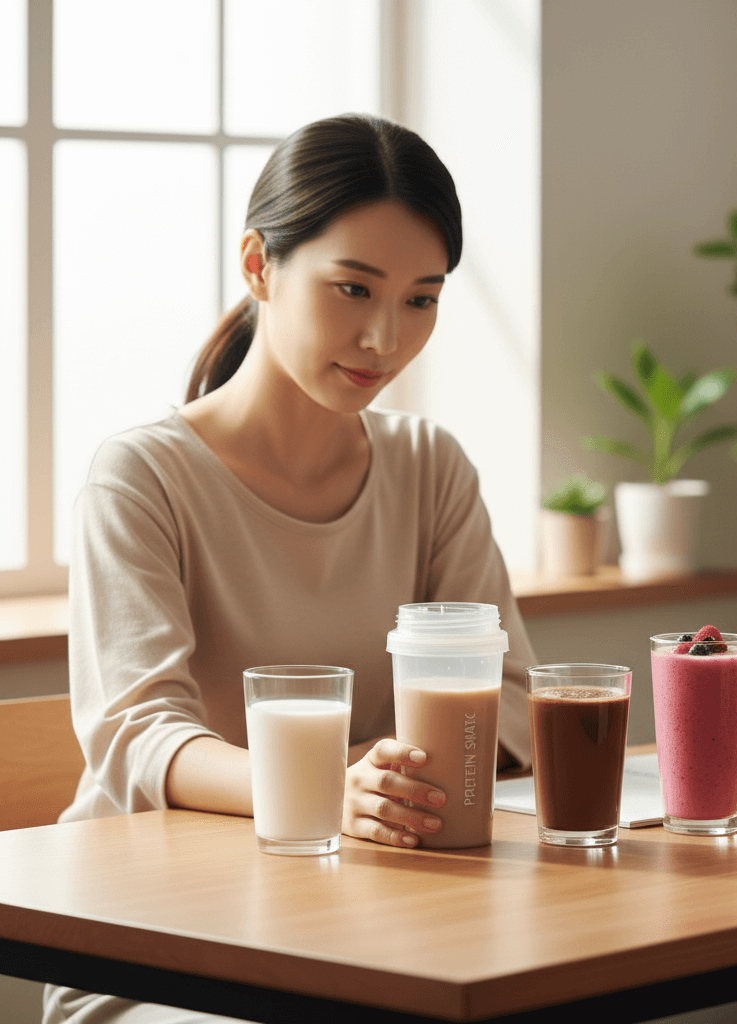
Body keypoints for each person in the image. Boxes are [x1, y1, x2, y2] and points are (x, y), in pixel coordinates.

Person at [44, 114, 535, 1024]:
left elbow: (510, 700)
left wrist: (381, 788)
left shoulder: (430, 469)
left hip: (375, 931)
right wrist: (330, 785)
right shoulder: (141, 476)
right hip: (161, 949)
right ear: (259, 264)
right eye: (354, 288)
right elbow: (140, 737)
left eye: (421, 299)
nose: (386, 339)